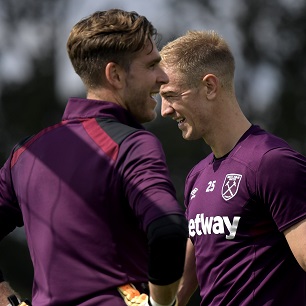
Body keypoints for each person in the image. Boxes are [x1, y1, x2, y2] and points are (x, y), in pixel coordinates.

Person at [0, 9, 188, 306]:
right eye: (152, 65)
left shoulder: (24, 153)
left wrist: (3, 296)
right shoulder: (132, 143)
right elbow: (168, 231)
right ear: (114, 75)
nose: (162, 77)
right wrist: (161, 303)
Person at [159, 30, 306, 306]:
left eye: (171, 95)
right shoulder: (196, 177)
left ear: (210, 87)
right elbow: (182, 286)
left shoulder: (273, 163)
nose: (164, 110)